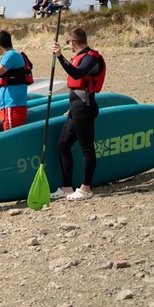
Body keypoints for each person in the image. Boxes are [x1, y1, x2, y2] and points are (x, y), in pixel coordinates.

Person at [50, 28, 106, 201]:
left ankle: (85, 189)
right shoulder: (82, 57)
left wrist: (59, 56)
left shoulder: (91, 57)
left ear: (72, 42)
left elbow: (77, 73)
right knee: (62, 145)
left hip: (85, 108)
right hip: (76, 108)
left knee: (87, 148)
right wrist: (72, 107)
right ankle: (67, 187)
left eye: (68, 43)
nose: (69, 47)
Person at [0, 30, 29, 130]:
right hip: (7, 106)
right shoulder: (9, 56)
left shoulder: (11, 55)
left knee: (10, 137)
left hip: (13, 106)